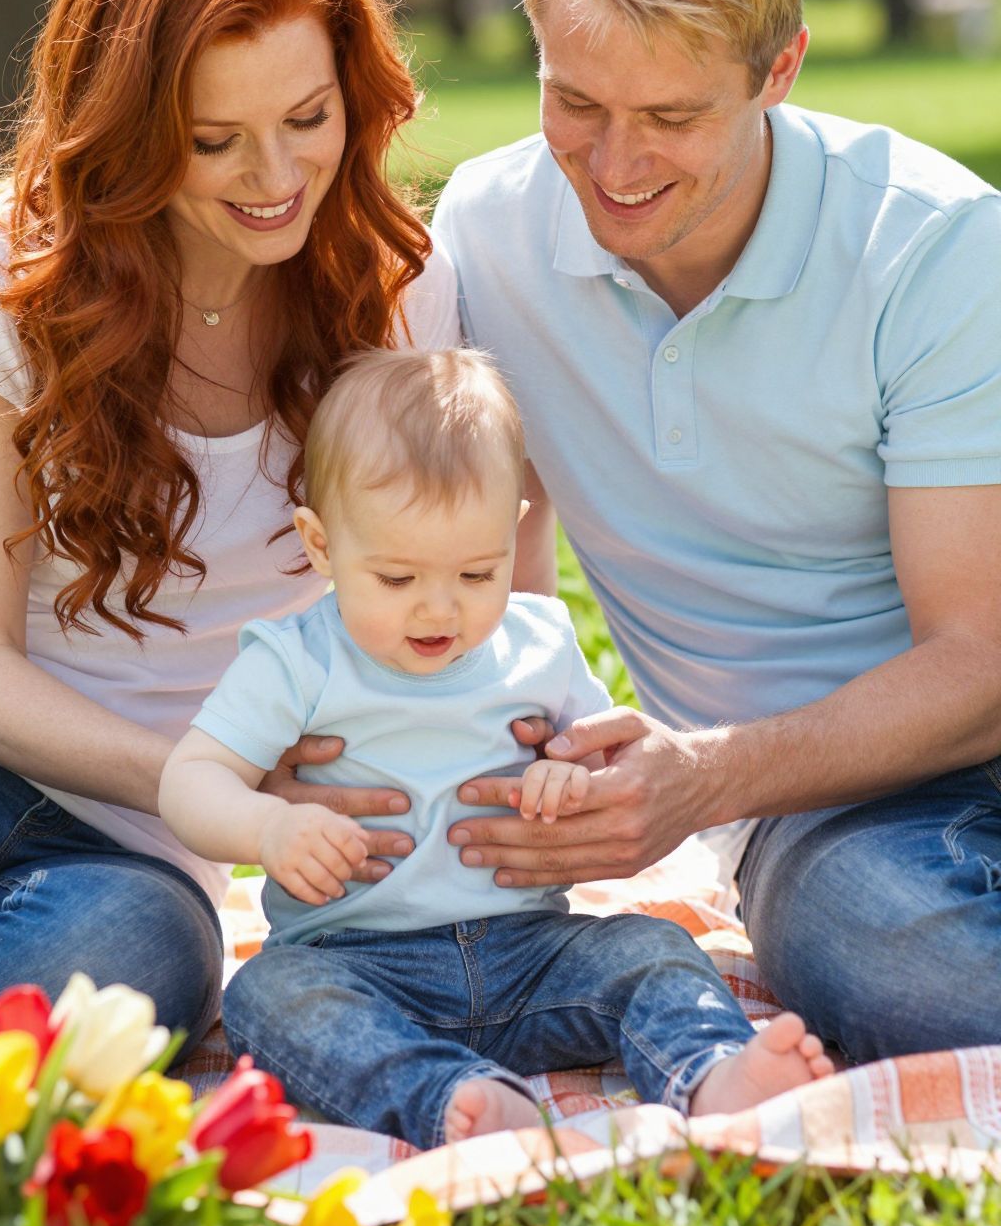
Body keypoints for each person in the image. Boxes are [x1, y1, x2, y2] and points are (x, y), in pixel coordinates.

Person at [0, 0, 460, 1041]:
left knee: (86, 992)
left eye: (308, 119)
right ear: (126, 128)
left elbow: (450, 573)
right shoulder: (2, 273)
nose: (276, 178)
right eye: (215, 139)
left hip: (142, 840)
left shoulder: (397, 298)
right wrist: (223, 781)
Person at [431, 0, 1001, 1066]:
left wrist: (703, 777)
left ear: (780, 68)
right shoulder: (485, 232)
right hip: (827, 818)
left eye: (673, 115)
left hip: (947, 732)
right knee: (887, 943)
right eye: (573, 102)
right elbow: (482, 571)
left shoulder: (935, 246)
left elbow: (982, 660)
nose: (616, 164)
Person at [159, 348, 833, 1149]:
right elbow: (191, 780)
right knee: (269, 997)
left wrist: (564, 774)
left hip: (531, 956)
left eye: (477, 573)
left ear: (513, 531)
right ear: (320, 544)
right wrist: (266, 828)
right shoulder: (296, 660)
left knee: (652, 947)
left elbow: (596, 757)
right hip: (359, 963)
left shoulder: (537, 641)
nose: (438, 609)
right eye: (397, 579)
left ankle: (715, 1074)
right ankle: (452, 1098)